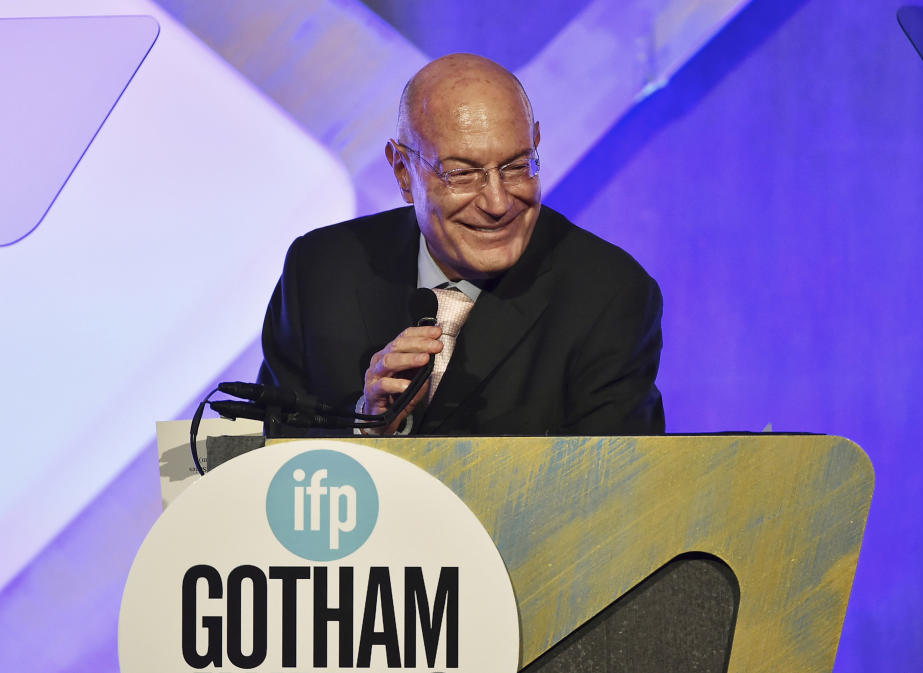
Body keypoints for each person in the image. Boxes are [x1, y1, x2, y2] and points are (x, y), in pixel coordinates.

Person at [258, 53, 664, 436]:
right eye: (463, 175)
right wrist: (366, 425)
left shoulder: (609, 296)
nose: (498, 202)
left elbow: (614, 491)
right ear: (403, 172)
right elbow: (266, 450)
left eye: (517, 166)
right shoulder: (320, 271)